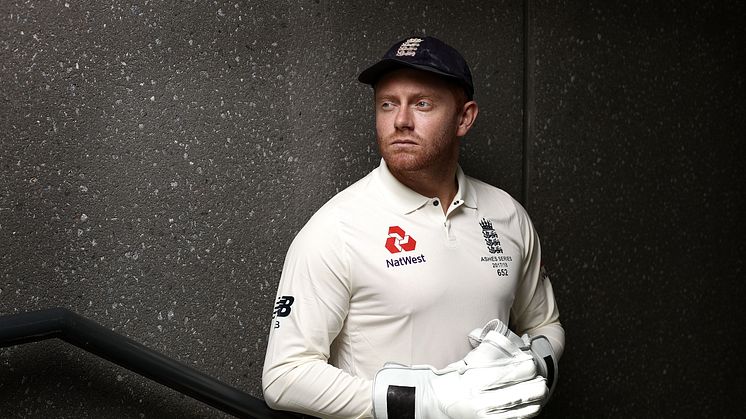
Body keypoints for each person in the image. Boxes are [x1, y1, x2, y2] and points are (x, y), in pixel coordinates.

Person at [262, 36, 564, 419]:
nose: (401, 120)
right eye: (388, 104)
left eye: (422, 104)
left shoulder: (507, 215)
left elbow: (544, 323)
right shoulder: (336, 229)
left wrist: (531, 368)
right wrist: (429, 400)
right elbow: (284, 377)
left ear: (464, 117)